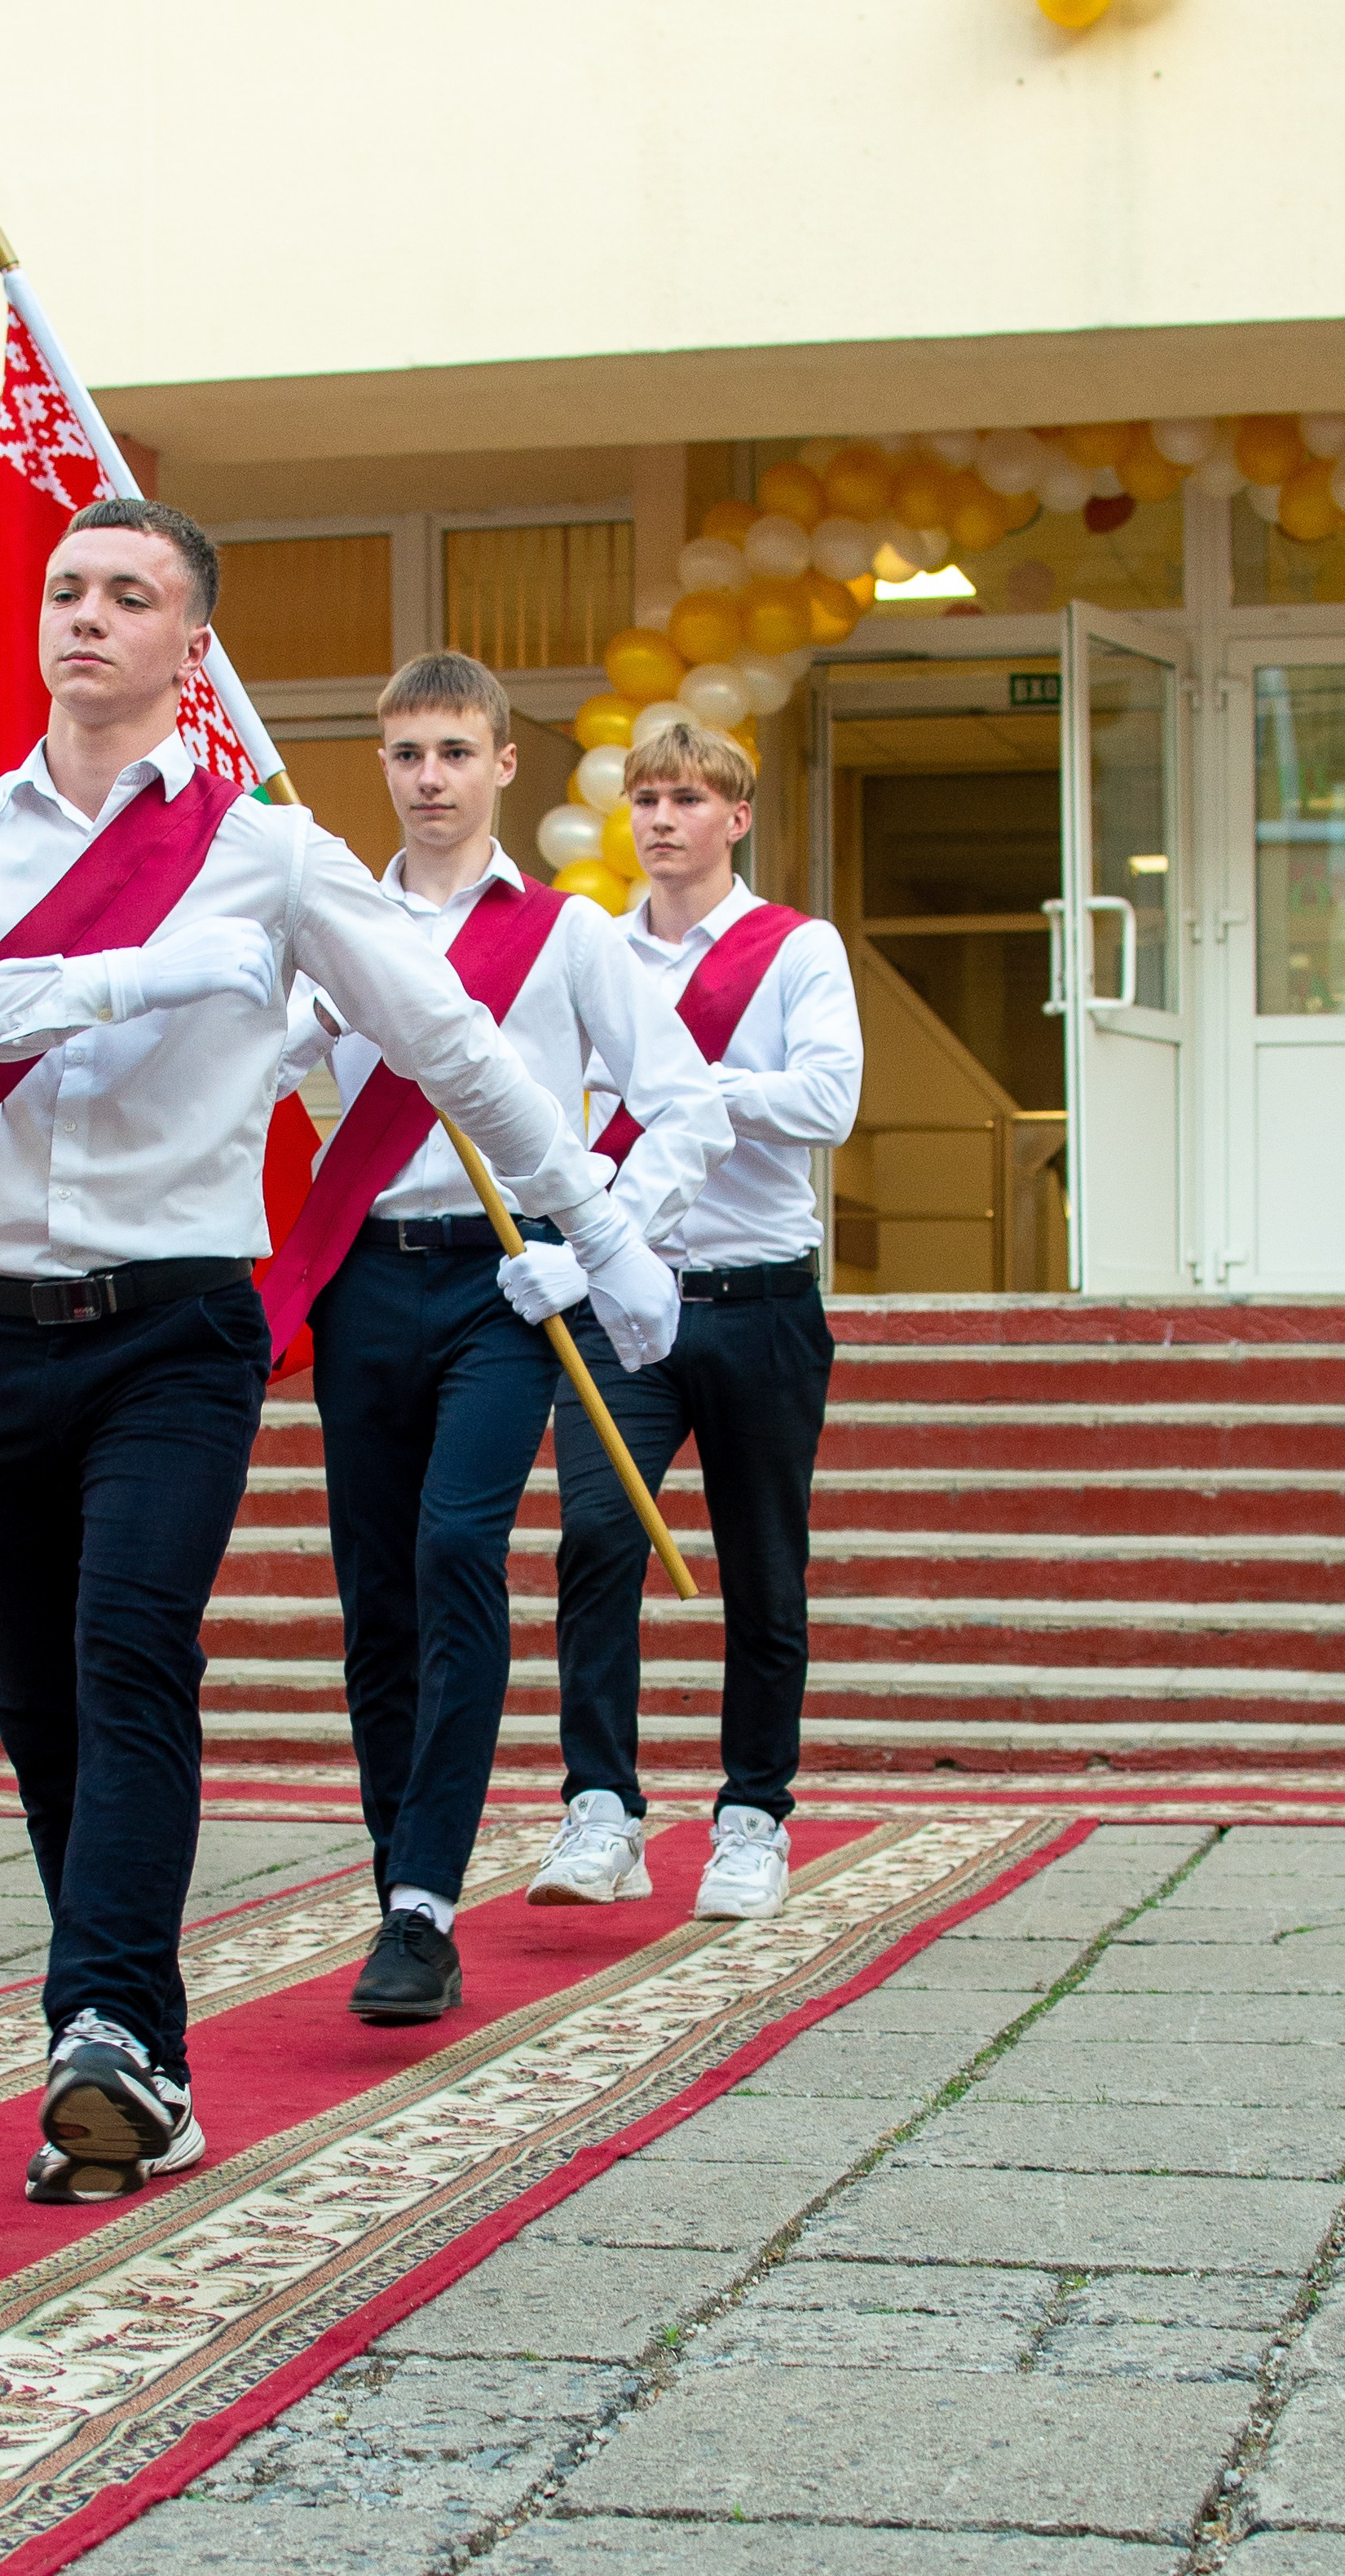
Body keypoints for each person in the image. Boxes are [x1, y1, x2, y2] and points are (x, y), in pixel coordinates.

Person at [0, 501, 676, 2204]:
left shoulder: (270, 853)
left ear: (186, 647)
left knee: (128, 1647)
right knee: (33, 1698)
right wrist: (130, 975)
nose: (83, 613)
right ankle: (137, 2054)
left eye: (127, 594)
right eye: (66, 588)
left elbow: (445, 1036)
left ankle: (101, 2030)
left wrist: (593, 1224)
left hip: (172, 1328)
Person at [269, 652, 729, 2022]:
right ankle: (400, 1874)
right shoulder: (336, 923)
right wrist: (305, 1027)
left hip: (504, 1288)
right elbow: (254, 1078)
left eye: (454, 754)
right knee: (376, 1594)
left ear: (503, 765)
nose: (428, 781)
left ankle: (423, 1904)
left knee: (458, 1545)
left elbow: (686, 1104)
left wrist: (588, 1244)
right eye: (406, 754)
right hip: (363, 1279)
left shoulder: (572, 934)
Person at [507, 718, 861, 1919]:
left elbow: (828, 1099)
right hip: (624, 1293)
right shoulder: (589, 948)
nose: (661, 819)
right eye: (646, 798)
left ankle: (754, 1815)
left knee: (765, 1567)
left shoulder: (795, 950)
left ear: (736, 817)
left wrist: (681, 1090)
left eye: (686, 800)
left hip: (759, 1298)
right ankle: (600, 1806)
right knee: (598, 1541)